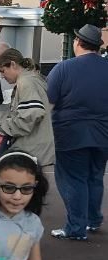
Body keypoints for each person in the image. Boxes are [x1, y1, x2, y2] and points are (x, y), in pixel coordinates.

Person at [47, 24, 108, 241]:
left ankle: (76, 227)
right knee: (95, 176)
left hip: (70, 133)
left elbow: (49, 102)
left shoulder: (63, 69)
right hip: (103, 134)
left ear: (78, 42)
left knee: (73, 179)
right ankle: (93, 219)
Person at [0, 48, 54, 165]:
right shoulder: (32, 79)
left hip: (33, 149)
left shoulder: (26, 82)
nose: (2, 76)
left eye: (3, 71)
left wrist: (4, 128)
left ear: (13, 64)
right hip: (39, 148)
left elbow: (32, 113)